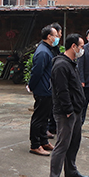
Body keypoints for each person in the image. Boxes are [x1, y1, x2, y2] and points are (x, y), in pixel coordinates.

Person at [47, 34, 89, 177]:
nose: (82, 49)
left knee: (74, 141)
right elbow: (61, 91)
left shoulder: (72, 63)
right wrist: (69, 110)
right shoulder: (61, 65)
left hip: (75, 111)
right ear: (73, 46)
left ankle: (71, 170)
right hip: (66, 113)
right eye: (81, 46)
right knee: (62, 145)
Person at [27, 25, 59, 156]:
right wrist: (32, 86)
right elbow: (37, 72)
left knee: (45, 118)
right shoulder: (43, 52)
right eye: (55, 35)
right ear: (49, 37)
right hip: (43, 90)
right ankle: (35, 145)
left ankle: (44, 141)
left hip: (48, 89)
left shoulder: (48, 50)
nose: (57, 38)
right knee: (39, 118)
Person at [46, 22, 63, 137]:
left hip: (54, 81)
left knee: (54, 106)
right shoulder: (44, 50)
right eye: (58, 34)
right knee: (47, 108)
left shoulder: (55, 48)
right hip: (48, 82)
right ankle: (46, 129)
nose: (59, 36)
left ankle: (52, 127)